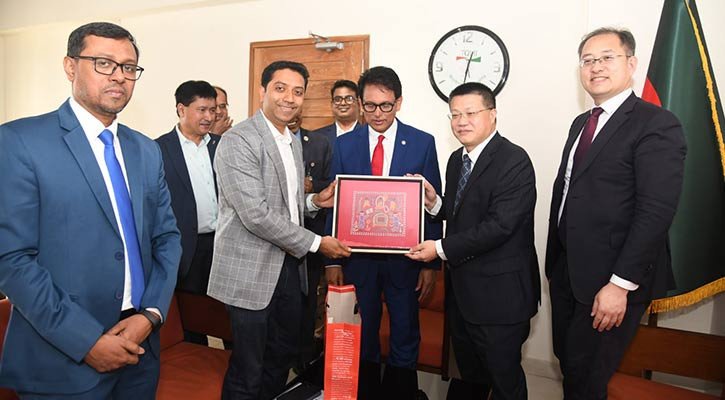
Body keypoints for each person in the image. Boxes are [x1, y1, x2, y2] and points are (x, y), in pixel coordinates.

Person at [0, 22, 181, 399]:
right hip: (62, 357)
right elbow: (12, 259)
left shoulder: (146, 150)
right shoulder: (19, 141)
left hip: (140, 348)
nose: (118, 76)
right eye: (103, 63)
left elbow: (166, 239)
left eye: (128, 67)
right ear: (70, 66)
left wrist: (150, 315)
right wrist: (85, 341)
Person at [545, 27, 686, 399]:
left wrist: (620, 285)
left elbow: (655, 210)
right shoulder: (581, 123)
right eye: (588, 60)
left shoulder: (656, 124)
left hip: (610, 280)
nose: (596, 67)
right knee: (571, 366)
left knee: (587, 379)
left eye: (607, 57)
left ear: (631, 64)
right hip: (568, 272)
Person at [207, 60, 351, 400]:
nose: (289, 98)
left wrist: (315, 201)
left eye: (298, 92)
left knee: (280, 360)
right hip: (251, 273)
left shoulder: (292, 140)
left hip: (289, 270)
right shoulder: (239, 139)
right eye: (281, 88)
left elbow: (286, 204)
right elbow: (256, 214)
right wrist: (317, 243)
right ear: (263, 91)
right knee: (248, 370)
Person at [407, 82, 540, 400]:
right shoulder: (457, 159)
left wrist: (439, 249)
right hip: (463, 297)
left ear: (492, 114)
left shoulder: (514, 160)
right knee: (470, 378)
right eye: (455, 115)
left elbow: (500, 226)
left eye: (470, 113)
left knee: (504, 381)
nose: (461, 121)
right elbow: (461, 215)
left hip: (500, 299)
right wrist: (433, 203)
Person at [325, 66, 443, 399]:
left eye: (386, 105)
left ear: (399, 102)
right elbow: (334, 203)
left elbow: (432, 204)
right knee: (361, 334)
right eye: (370, 105)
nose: (378, 113)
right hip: (356, 259)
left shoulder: (421, 143)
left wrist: (431, 264)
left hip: (405, 261)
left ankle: (401, 393)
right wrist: (331, 260)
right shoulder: (344, 145)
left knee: (405, 332)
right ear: (361, 103)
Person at [157, 80, 220, 298]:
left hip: (222, 246)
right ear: (181, 109)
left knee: (223, 313)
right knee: (191, 312)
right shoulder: (158, 149)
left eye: (212, 110)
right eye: (202, 110)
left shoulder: (223, 145)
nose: (209, 117)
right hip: (185, 250)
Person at [288, 113, 333, 370]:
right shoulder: (261, 142)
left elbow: (332, 182)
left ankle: (303, 362)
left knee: (307, 301)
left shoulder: (319, 142)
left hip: (312, 234)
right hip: (272, 241)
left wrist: (312, 185)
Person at [310, 79, 360, 148]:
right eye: (337, 99)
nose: (343, 103)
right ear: (332, 104)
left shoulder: (368, 135)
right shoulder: (317, 137)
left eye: (349, 99)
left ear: (358, 103)